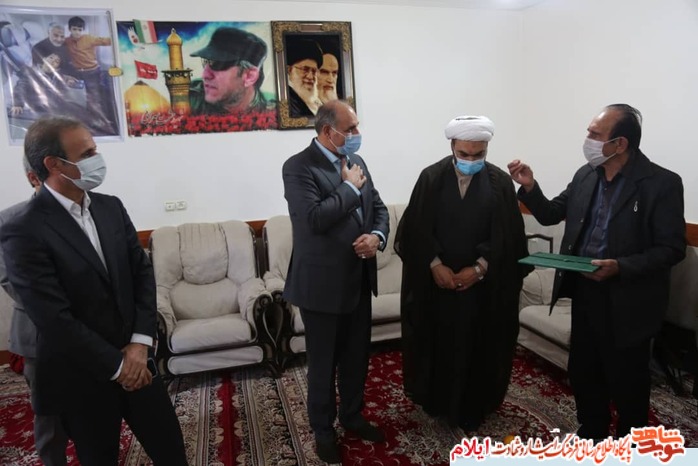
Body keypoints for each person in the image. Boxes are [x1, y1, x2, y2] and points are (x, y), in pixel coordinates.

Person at [0, 116, 188, 466]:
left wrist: (139, 345)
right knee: (98, 457)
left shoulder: (110, 207)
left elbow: (142, 275)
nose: (96, 160)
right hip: (82, 376)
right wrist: (119, 365)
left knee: (172, 452)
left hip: (138, 360)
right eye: (86, 154)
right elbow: (53, 318)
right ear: (54, 164)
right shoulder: (23, 229)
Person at [507, 104, 686, 440]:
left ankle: (630, 445)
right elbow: (551, 213)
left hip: (630, 301)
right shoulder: (586, 174)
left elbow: (672, 248)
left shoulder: (661, 183)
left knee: (627, 381)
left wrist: (621, 267)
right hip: (585, 292)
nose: (587, 139)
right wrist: (530, 187)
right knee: (585, 372)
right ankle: (592, 433)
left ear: (620, 143)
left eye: (595, 134)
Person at [394, 115, 531, 431]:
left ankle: (473, 406)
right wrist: (434, 265)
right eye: (464, 154)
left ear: (486, 149)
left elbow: (508, 237)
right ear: (452, 147)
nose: (471, 160)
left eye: (478, 154)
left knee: (477, 346)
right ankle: (438, 401)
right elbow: (415, 230)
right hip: (437, 287)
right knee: (438, 344)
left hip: (482, 289)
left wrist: (480, 269)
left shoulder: (499, 183)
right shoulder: (431, 178)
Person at [282, 100, 389, 463]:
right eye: (351, 128)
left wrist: (376, 236)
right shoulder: (298, 167)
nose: (357, 134)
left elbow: (378, 208)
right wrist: (348, 189)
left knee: (357, 358)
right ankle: (323, 430)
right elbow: (313, 219)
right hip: (321, 286)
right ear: (329, 131)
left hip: (358, 279)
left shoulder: (357, 162)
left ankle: (352, 416)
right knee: (324, 364)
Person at [0, 157, 69, 466]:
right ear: (35, 177)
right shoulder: (10, 221)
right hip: (39, 336)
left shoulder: (91, 214)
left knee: (93, 410)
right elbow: (11, 282)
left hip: (93, 333)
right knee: (50, 418)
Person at [189, 26, 271, 115]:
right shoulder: (188, 98)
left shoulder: (272, 114)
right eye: (206, 62)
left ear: (249, 77)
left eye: (218, 64)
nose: (205, 75)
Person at [64, 16, 115, 131]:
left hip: (92, 72)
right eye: (74, 29)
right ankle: (86, 120)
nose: (77, 32)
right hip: (77, 73)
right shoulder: (66, 41)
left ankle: (103, 122)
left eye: (79, 29)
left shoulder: (89, 38)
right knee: (79, 98)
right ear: (70, 29)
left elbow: (107, 41)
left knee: (94, 98)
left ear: (83, 30)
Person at [9, 53, 82, 118]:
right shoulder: (31, 73)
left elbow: (63, 80)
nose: (52, 61)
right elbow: (20, 87)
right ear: (44, 59)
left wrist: (68, 80)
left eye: (56, 61)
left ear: (57, 68)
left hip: (53, 111)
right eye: (51, 57)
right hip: (36, 110)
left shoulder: (58, 77)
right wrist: (18, 104)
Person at [286, 38, 323, 117]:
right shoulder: (287, 100)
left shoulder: (316, 102)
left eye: (314, 71)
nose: (310, 76)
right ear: (289, 70)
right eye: (305, 69)